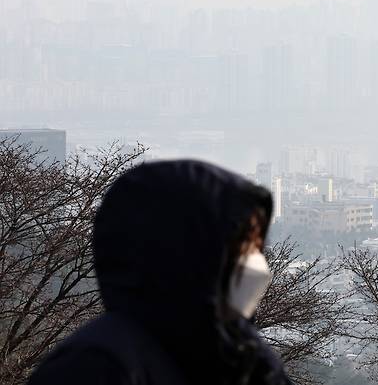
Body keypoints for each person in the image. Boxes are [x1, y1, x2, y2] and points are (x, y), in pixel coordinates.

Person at [27, 160, 293, 385]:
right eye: (244, 248)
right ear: (191, 251)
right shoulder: (95, 365)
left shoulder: (247, 359)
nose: (256, 264)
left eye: (258, 248)